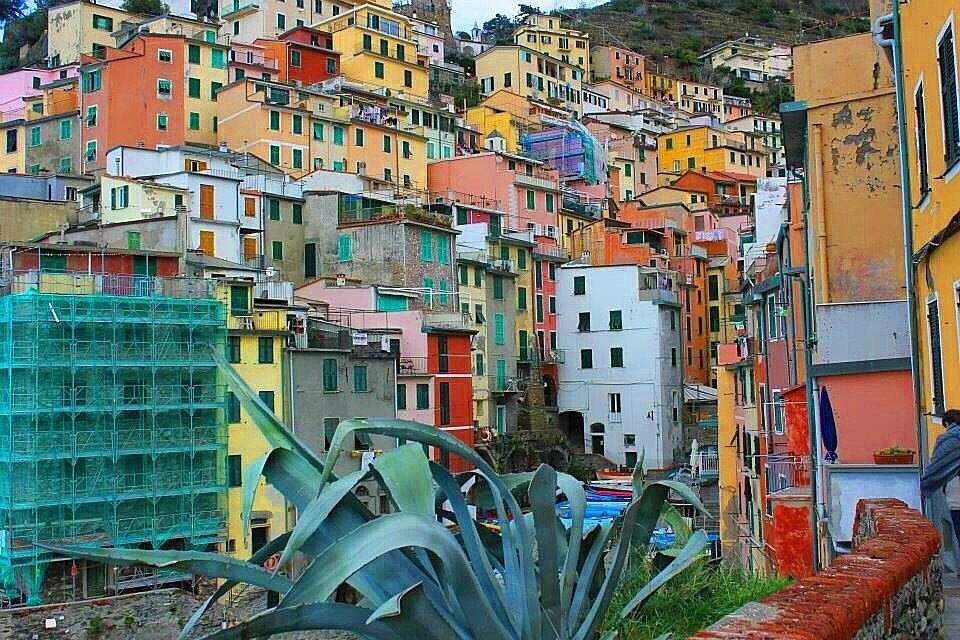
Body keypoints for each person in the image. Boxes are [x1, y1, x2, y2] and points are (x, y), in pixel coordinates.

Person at [921, 409, 960, 571]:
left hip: (956, 499)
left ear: (947, 423)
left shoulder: (948, 440)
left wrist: (925, 484)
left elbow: (936, 467)